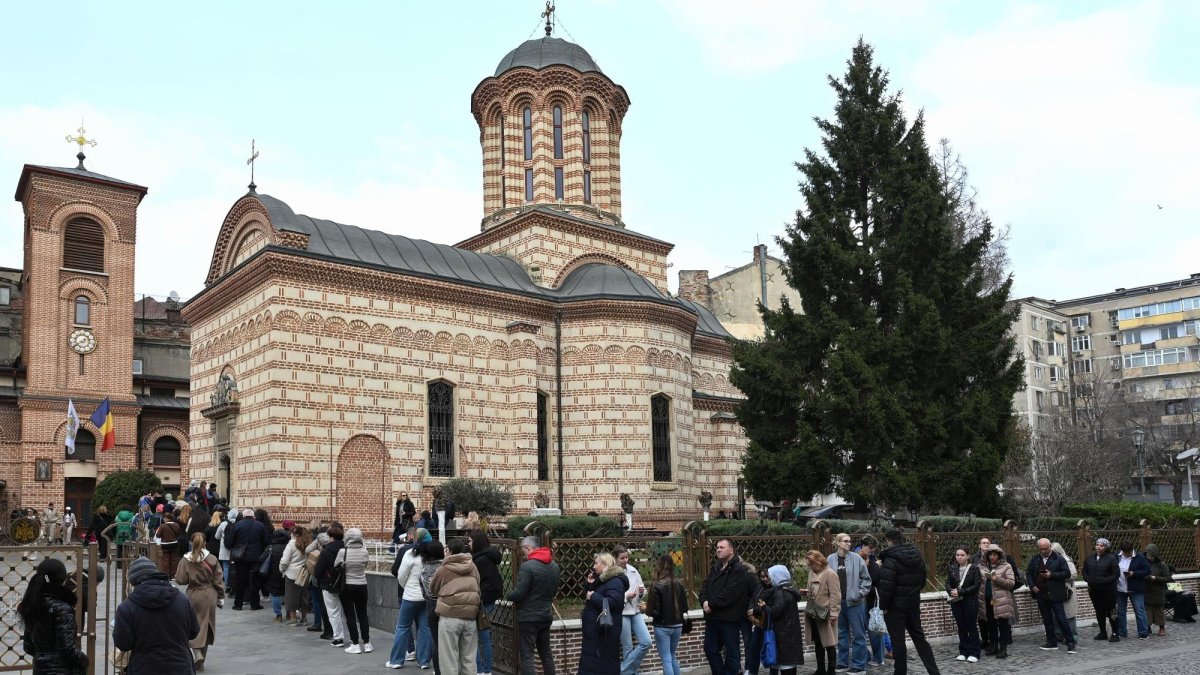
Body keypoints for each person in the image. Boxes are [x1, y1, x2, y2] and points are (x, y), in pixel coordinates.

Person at [114, 556, 199, 674]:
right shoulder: (182, 600)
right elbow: (194, 631)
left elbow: (123, 643)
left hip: (144, 668)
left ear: (133, 582)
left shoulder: (126, 608)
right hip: (180, 667)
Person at [877, 529, 940, 675]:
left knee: (898, 641)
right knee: (920, 639)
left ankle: (900, 672)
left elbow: (887, 586)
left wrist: (884, 607)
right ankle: (934, 672)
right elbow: (923, 580)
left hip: (895, 608)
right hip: (913, 604)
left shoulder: (890, 558)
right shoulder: (917, 554)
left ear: (888, 540)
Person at [17, 558, 88, 674]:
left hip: (40, 669)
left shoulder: (33, 604)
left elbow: (28, 646)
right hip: (63, 670)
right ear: (62, 579)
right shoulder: (62, 608)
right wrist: (84, 660)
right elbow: (67, 650)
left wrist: (43, 658)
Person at [507, 535, 561, 675]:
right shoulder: (554, 565)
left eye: (523, 550)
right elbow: (554, 590)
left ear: (528, 548)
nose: (523, 553)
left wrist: (508, 595)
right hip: (545, 615)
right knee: (546, 654)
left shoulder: (527, 566)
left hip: (528, 618)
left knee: (527, 656)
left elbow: (520, 593)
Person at [699, 537, 754, 675]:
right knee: (710, 649)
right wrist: (704, 601)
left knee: (732, 653)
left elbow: (730, 593)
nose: (718, 550)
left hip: (729, 619)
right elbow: (705, 586)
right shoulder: (716, 567)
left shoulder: (738, 570)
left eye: (721, 547)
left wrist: (711, 604)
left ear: (731, 550)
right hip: (712, 619)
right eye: (717, 547)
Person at [174, 533, 224, 671]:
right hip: (209, 594)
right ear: (205, 543)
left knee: (191, 624)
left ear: (191, 542)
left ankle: (197, 654)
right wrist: (221, 596)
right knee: (206, 626)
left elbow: (181, 580)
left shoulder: (185, 560)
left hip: (192, 594)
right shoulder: (212, 559)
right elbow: (218, 581)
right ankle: (200, 656)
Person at [431, 538, 481, 675]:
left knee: (449, 660)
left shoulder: (444, 569)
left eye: (446, 549)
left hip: (449, 616)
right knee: (469, 660)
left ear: (451, 551)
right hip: (470, 616)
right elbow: (478, 586)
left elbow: (433, 588)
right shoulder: (473, 567)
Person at [389, 531, 434, 669]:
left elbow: (401, 575)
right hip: (426, 596)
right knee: (425, 628)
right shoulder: (432, 553)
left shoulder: (410, 553)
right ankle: (424, 661)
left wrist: (407, 587)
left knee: (402, 626)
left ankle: (396, 660)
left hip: (410, 596)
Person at [828, 533, 871, 674]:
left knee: (858, 634)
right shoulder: (830, 559)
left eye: (850, 541)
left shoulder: (856, 558)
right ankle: (842, 662)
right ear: (838, 543)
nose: (849, 543)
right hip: (838, 602)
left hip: (855, 602)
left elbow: (866, 579)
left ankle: (859, 665)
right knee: (841, 634)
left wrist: (860, 593)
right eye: (845, 541)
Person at [580, 552, 627, 675]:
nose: (594, 567)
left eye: (596, 563)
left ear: (605, 564)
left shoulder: (615, 581)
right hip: (596, 633)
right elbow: (587, 596)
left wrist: (594, 596)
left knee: (603, 664)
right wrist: (589, 584)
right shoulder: (601, 580)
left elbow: (614, 602)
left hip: (605, 633)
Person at [1027, 537, 1075, 653]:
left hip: (1055, 594)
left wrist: (1052, 575)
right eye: (1041, 549)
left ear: (1050, 547)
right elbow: (1028, 573)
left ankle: (1071, 642)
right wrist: (1032, 586)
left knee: (1061, 619)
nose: (1043, 551)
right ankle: (1051, 642)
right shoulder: (1035, 559)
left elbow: (1066, 573)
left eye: (1046, 548)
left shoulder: (1059, 559)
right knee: (1047, 619)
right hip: (1041, 594)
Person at [754, 565, 803, 675]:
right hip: (789, 635)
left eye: (771, 576)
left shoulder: (780, 593)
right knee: (790, 665)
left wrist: (764, 606)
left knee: (785, 665)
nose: (769, 579)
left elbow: (775, 612)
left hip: (782, 636)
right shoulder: (789, 590)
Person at [644, 553, 688, 675]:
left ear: (658, 565)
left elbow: (654, 612)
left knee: (666, 659)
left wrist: (645, 609)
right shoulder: (679, 583)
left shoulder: (656, 584)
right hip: (678, 626)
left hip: (662, 627)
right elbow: (684, 607)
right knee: (672, 656)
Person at [613, 546, 650, 675]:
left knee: (646, 641)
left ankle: (622, 671)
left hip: (635, 611)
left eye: (626, 557)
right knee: (627, 647)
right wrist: (625, 596)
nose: (625, 560)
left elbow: (643, 589)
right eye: (622, 558)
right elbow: (610, 596)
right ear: (615, 558)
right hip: (622, 612)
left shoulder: (633, 570)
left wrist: (641, 593)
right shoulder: (611, 573)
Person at [470, 529, 503, 675]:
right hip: (487, 599)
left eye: (470, 541)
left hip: (483, 601)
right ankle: (483, 668)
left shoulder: (480, 560)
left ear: (476, 542)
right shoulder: (486, 556)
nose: (469, 544)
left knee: (480, 636)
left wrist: (479, 598)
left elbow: (485, 582)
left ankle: (483, 669)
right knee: (482, 636)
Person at [804, 549, 840, 675]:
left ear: (818, 562)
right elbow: (812, 590)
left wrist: (834, 613)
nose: (809, 567)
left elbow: (836, 595)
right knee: (818, 643)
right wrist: (806, 592)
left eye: (811, 564)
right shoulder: (811, 573)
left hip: (826, 614)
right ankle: (820, 669)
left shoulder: (830, 574)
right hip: (813, 613)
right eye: (808, 564)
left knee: (829, 644)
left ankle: (831, 670)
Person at [338, 527, 374, 654]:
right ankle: (367, 643)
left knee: (350, 616)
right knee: (363, 614)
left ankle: (355, 643)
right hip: (362, 585)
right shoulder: (365, 552)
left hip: (347, 586)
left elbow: (336, 566)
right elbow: (364, 565)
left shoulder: (343, 552)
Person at [227, 507, 269, 611]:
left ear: (244, 516)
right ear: (253, 516)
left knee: (240, 581)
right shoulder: (260, 525)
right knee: (255, 581)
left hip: (241, 558)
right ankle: (255, 604)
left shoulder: (237, 525)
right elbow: (266, 541)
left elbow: (229, 542)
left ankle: (238, 604)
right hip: (256, 557)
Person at [977, 544, 1014, 659]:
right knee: (991, 624)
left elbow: (1011, 583)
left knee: (1003, 625)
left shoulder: (1006, 566)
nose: (992, 557)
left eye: (995, 555)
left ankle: (1003, 649)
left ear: (999, 555)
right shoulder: (981, 567)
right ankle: (993, 646)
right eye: (990, 555)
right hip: (987, 601)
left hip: (1000, 600)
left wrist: (996, 579)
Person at [945, 547, 981, 662]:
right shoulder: (952, 568)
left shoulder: (974, 569)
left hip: (970, 601)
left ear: (968, 556)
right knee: (961, 627)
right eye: (957, 555)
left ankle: (974, 652)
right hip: (956, 601)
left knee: (971, 626)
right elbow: (948, 582)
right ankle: (964, 651)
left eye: (962, 555)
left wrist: (960, 591)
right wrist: (951, 591)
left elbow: (976, 586)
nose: (959, 557)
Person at [855, 535, 886, 668]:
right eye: (870, 548)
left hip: (871, 601)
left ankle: (878, 657)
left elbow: (876, 579)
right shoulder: (855, 558)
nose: (872, 551)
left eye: (873, 549)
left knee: (874, 630)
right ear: (863, 546)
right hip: (859, 600)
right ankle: (868, 656)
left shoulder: (871, 560)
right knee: (860, 631)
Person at [315, 524, 348, 646]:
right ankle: (351, 637)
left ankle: (338, 638)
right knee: (346, 611)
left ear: (331, 537)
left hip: (329, 585)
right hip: (346, 584)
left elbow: (318, 571)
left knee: (333, 612)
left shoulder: (326, 551)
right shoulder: (347, 549)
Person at [1082, 537, 1120, 641]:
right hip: (1094, 590)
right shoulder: (1090, 557)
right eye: (1097, 545)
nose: (1098, 547)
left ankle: (1115, 633)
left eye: (1101, 546)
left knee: (1112, 611)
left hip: (1108, 590)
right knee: (1099, 611)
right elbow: (1085, 571)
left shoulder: (1111, 559)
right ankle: (1103, 632)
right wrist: (1088, 579)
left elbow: (1116, 574)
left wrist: (1104, 580)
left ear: (1106, 548)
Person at [419, 541, 447, 675]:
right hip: (446, 607)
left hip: (431, 608)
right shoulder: (444, 568)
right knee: (449, 642)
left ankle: (438, 671)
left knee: (437, 642)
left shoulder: (423, 570)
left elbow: (424, 594)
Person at [1114, 541, 1150, 640]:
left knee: (1139, 611)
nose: (1127, 554)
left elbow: (1147, 570)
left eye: (1129, 552)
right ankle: (1122, 632)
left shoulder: (1140, 557)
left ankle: (1143, 633)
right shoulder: (1116, 556)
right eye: (1125, 552)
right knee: (1121, 612)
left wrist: (1134, 573)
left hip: (1136, 588)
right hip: (1120, 588)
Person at [280, 526, 312, 626]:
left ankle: (293, 618)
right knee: (304, 596)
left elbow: (285, 561)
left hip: (291, 574)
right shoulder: (308, 544)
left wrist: (282, 569)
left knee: (291, 596)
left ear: (294, 534)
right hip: (304, 573)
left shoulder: (291, 545)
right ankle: (304, 618)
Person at [1050, 542, 1079, 643]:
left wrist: (1057, 576)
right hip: (1056, 591)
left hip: (1067, 591)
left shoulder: (1068, 561)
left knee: (1069, 615)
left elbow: (1074, 575)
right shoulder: (1051, 561)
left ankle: (1072, 636)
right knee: (1057, 614)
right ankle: (1059, 634)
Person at [1144, 543, 1173, 636]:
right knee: (1147, 610)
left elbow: (1168, 578)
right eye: (1147, 555)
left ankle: (1161, 628)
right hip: (1147, 590)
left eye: (1150, 555)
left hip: (1158, 591)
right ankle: (1147, 628)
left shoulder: (1162, 565)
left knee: (1159, 610)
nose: (1149, 557)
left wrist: (1155, 578)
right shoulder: (1144, 563)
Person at [264, 527, 290, 621]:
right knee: (288, 593)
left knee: (275, 594)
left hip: (273, 574)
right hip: (287, 572)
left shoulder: (271, 547)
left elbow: (262, 558)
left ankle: (278, 615)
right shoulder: (289, 547)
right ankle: (289, 613)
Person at [306, 530, 328, 635]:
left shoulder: (319, 544)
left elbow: (307, 550)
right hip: (332, 580)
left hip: (317, 578)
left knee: (317, 601)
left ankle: (317, 623)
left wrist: (316, 543)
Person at [154, 510, 184, 575]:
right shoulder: (176, 525)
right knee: (174, 559)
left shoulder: (162, 526)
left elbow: (158, 535)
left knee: (165, 559)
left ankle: (166, 574)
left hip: (165, 545)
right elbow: (178, 534)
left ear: (166, 518)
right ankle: (173, 575)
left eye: (164, 518)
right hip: (174, 544)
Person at [215, 510, 235, 594]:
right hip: (235, 549)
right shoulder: (238, 522)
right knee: (234, 567)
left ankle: (227, 585)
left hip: (225, 548)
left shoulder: (223, 524)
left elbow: (217, 536)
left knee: (226, 567)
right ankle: (234, 585)